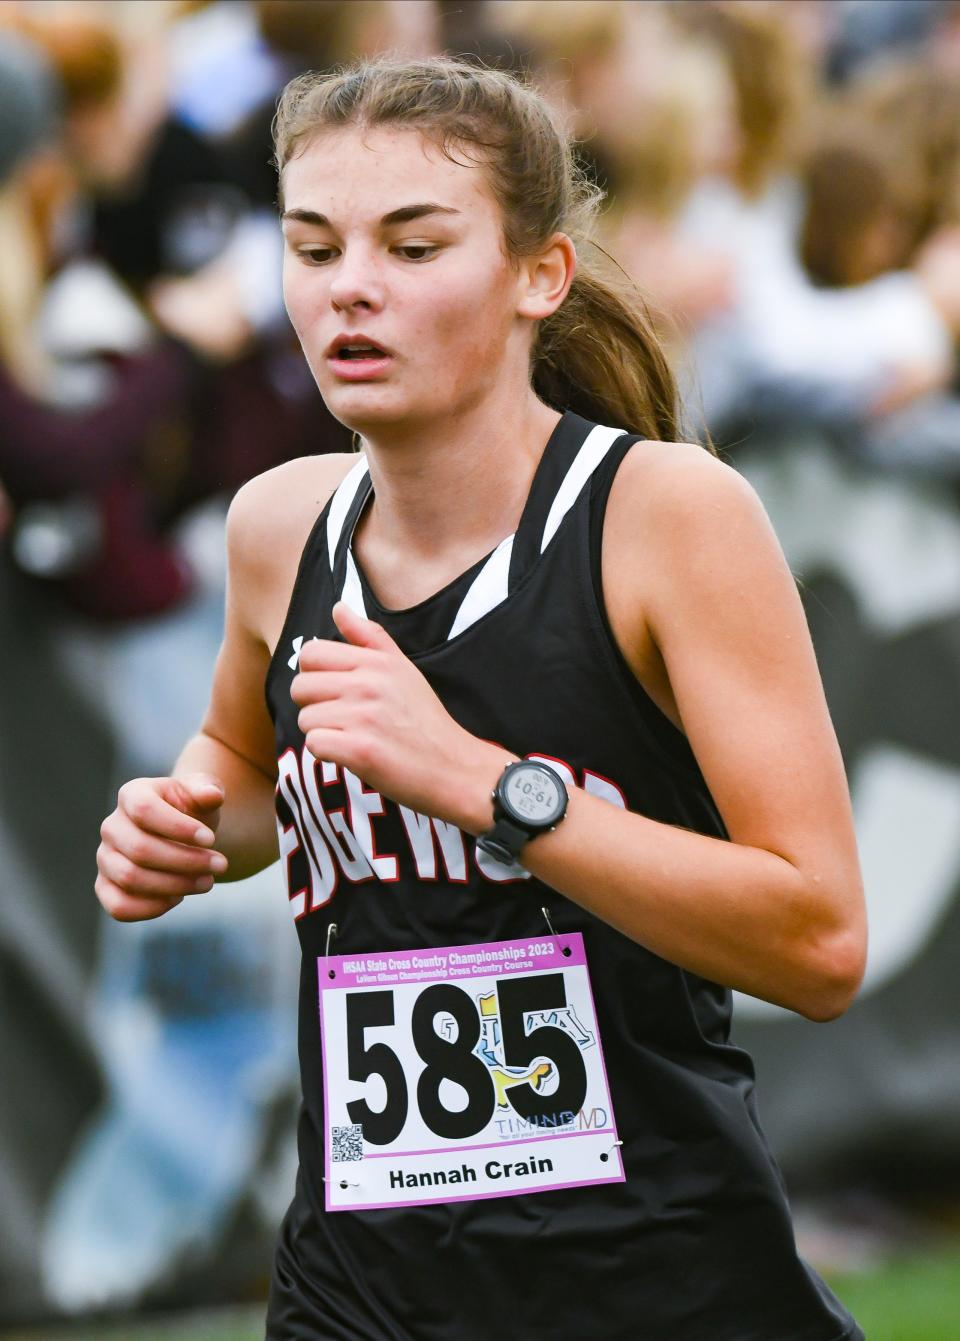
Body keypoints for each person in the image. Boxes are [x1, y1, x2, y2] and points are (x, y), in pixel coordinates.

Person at [95, 57, 867, 1341]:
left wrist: (476, 781)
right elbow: (239, 772)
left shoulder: (664, 519)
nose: (350, 286)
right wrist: (178, 828)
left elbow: (820, 941)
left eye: (413, 244)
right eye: (313, 245)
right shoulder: (278, 528)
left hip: (655, 1281)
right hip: (359, 1292)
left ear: (538, 276)